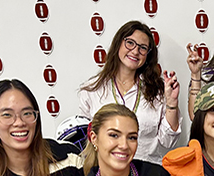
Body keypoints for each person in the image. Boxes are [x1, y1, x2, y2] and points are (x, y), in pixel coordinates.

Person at [78, 20, 182, 165]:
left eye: (143, 48)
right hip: (106, 175)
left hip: (148, 174)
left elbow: (168, 141)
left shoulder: (159, 91)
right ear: (118, 43)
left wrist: (171, 103)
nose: (135, 51)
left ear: (148, 56)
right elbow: (87, 142)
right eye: (130, 43)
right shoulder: (92, 89)